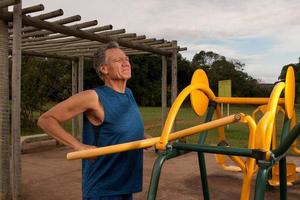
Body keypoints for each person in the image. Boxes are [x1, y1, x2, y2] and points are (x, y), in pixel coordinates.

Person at [38, 41, 145, 200]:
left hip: (125, 186)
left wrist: (148, 139)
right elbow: (46, 120)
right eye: (118, 60)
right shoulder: (93, 97)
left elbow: (127, 128)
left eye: (126, 59)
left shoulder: (128, 93)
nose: (125, 63)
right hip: (103, 190)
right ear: (104, 69)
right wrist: (77, 145)